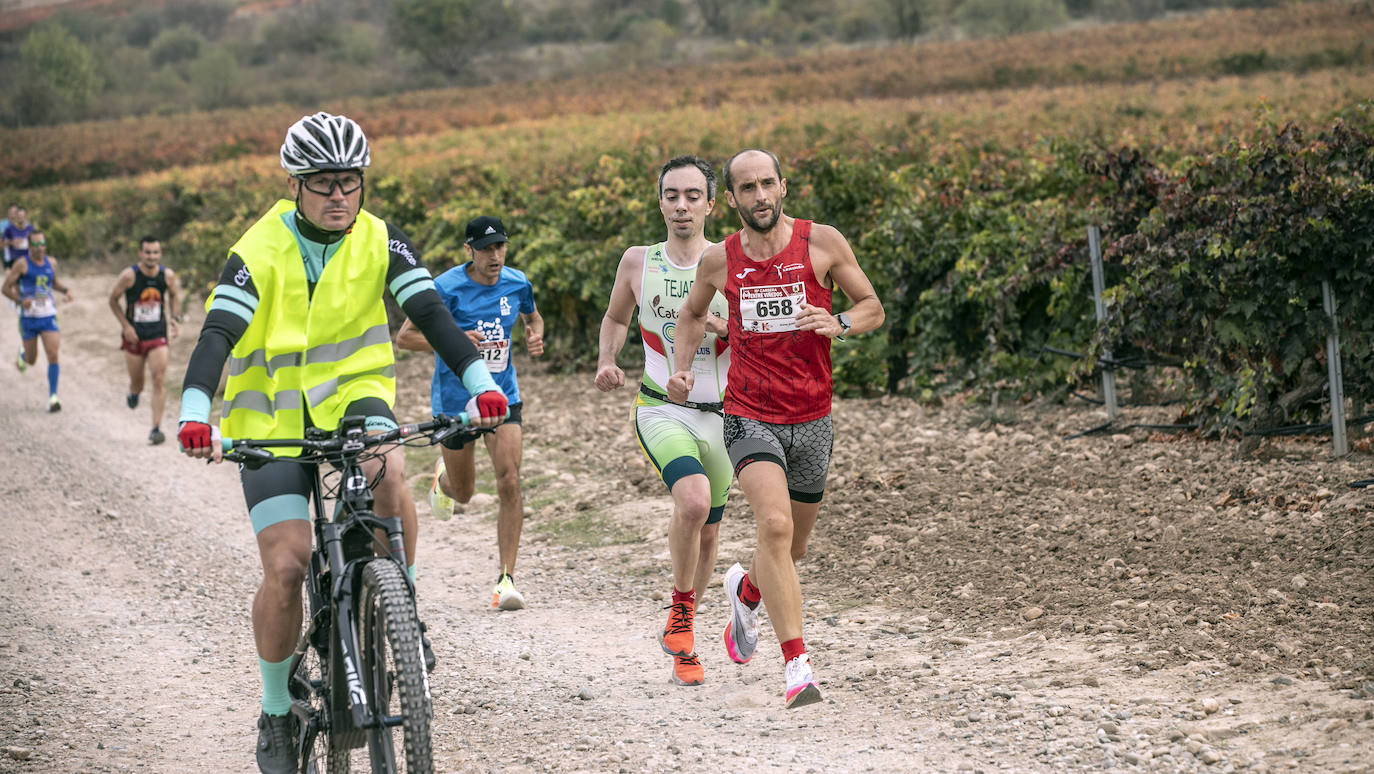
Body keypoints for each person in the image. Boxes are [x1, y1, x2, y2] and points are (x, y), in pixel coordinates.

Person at [175, 112, 508, 774]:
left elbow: (431, 315)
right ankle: (275, 711)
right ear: (296, 186)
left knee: (388, 469)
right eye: (323, 184)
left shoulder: (382, 241)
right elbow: (216, 335)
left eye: (349, 183)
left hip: (352, 396)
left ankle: (402, 610)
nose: (338, 196)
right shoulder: (258, 249)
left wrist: (481, 382)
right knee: (289, 565)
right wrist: (194, 410)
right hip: (269, 420)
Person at [667, 148, 884, 709]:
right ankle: (797, 668)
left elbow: (872, 307)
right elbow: (691, 314)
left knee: (793, 548)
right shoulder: (720, 259)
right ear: (732, 199)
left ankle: (748, 590)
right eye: (747, 187)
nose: (759, 196)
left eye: (767, 184)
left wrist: (835, 322)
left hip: (812, 416)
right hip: (749, 414)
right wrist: (683, 367)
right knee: (775, 524)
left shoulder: (823, 242)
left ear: (782, 187)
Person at [594, 155, 730, 687]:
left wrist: (716, 322)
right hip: (659, 407)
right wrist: (608, 359)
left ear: (711, 204)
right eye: (672, 195)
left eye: (693, 196)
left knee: (710, 533)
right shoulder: (637, 261)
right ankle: (679, 609)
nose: (682, 206)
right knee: (692, 502)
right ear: (660, 203)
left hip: (722, 415)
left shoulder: (731, 263)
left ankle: (685, 637)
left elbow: (754, 336)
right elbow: (615, 318)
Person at [396, 214, 544, 611]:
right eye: (485, 249)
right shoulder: (444, 287)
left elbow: (532, 315)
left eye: (500, 246)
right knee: (463, 494)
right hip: (454, 401)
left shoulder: (517, 281)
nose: (495, 256)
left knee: (509, 480)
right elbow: (405, 337)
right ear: (469, 251)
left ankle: (505, 579)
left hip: (503, 396)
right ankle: (443, 480)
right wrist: (455, 340)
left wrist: (535, 333)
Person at [108, 235, 182, 444]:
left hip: (158, 334)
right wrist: (126, 326)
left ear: (160, 254)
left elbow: (174, 295)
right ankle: (133, 392)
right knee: (138, 383)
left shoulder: (167, 275)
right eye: (148, 252)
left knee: (158, 378)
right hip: (134, 336)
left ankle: (155, 428)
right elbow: (112, 300)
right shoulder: (129, 276)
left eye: (155, 252)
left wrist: (174, 319)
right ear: (141, 253)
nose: (152, 256)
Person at [3, 231, 72, 412]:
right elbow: (5, 288)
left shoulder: (52, 262)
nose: (39, 248)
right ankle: (23, 355)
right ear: (29, 246)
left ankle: (53, 397)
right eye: (35, 245)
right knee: (32, 360)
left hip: (48, 315)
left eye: (42, 244)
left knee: (53, 354)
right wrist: (20, 301)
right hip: (29, 318)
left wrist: (66, 291)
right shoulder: (22, 264)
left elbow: (53, 283)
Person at [2, 205, 33, 272]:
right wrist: (12, 242)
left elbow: (36, 242)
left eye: (22, 216)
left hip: (27, 260)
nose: (20, 218)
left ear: (25, 216)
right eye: (19, 216)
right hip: (12, 260)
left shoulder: (30, 229)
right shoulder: (9, 229)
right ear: (15, 217)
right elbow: (1, 243)